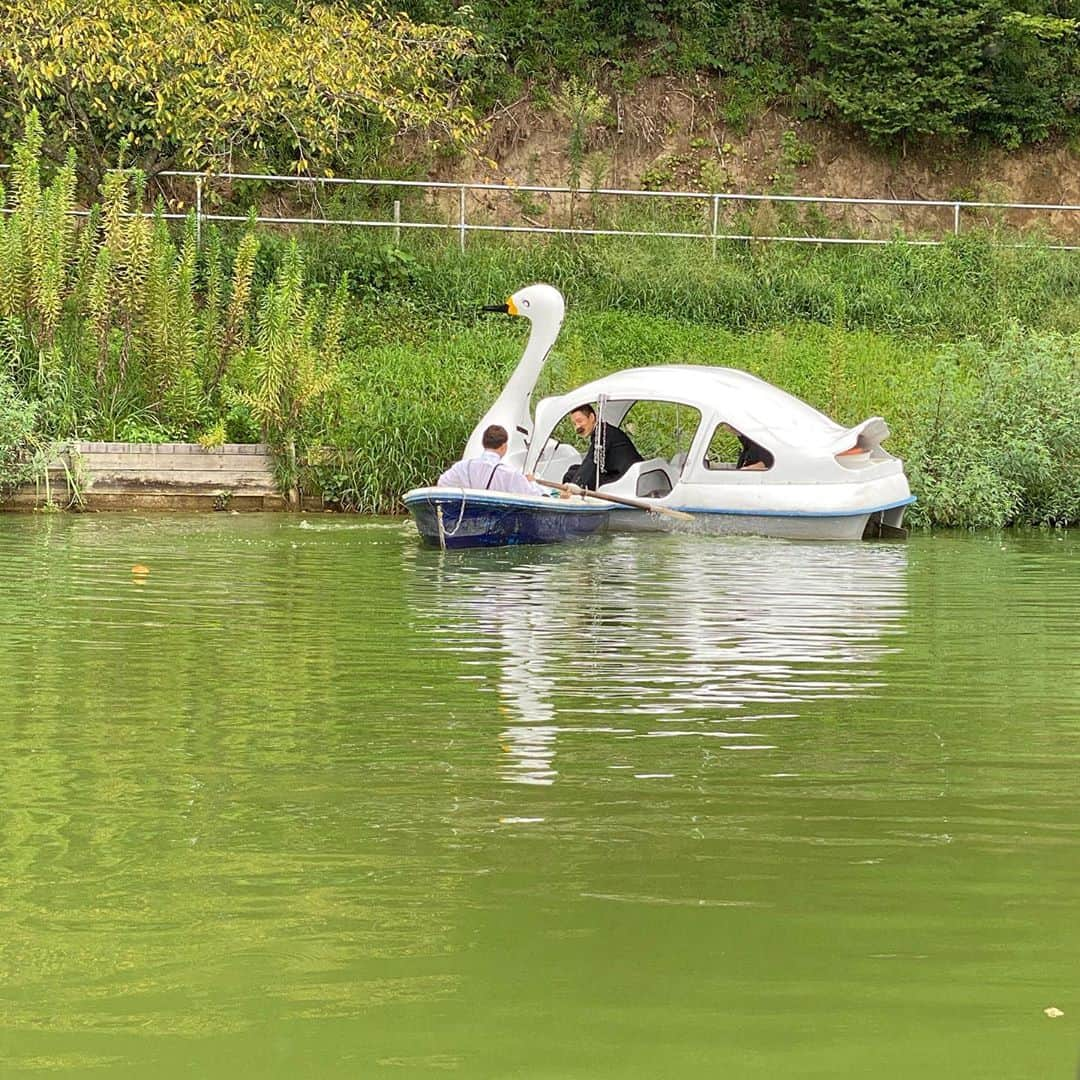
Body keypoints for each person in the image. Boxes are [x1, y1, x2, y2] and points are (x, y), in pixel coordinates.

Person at [438, 424, 549, 495]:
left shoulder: (462, 466)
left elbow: (442, 483)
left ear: (483, 443)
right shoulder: (510, 474)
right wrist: (532, 481)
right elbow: (536, 495)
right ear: (504, 447)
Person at [562, 403, 643, 489]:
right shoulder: (604, 430)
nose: (577, 427)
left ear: (592, 417)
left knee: (571, 476)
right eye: (574, 424)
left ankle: (569, 495)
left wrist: (575, 485)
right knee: (573, 469)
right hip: (620, 473)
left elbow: (591, 460)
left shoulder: (603, 433)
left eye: (580, 421)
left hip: (626, 478)